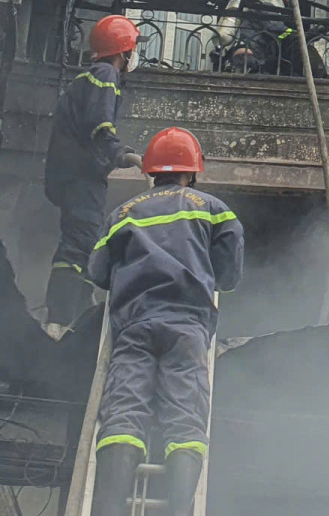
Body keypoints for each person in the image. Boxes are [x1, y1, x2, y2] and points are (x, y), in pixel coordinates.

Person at [88, 127, 244, 516]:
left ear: (152, 171)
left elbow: (98, 271)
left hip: (135, 327)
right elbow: (229, 272)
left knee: (123, 414)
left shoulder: (121, 215)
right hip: (187, 328)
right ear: (192, 172)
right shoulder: (214, 209)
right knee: (186, 421)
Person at [45, 15, 143, 329]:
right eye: (133, 49)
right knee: (80, 244)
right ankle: (62, 317)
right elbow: (99, 127)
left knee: (83, 243)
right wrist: (125, 155)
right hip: (82, 177)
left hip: (71, 175)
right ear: (123, 51)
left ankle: (75, 309)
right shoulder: (105, 74)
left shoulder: (85, 78)